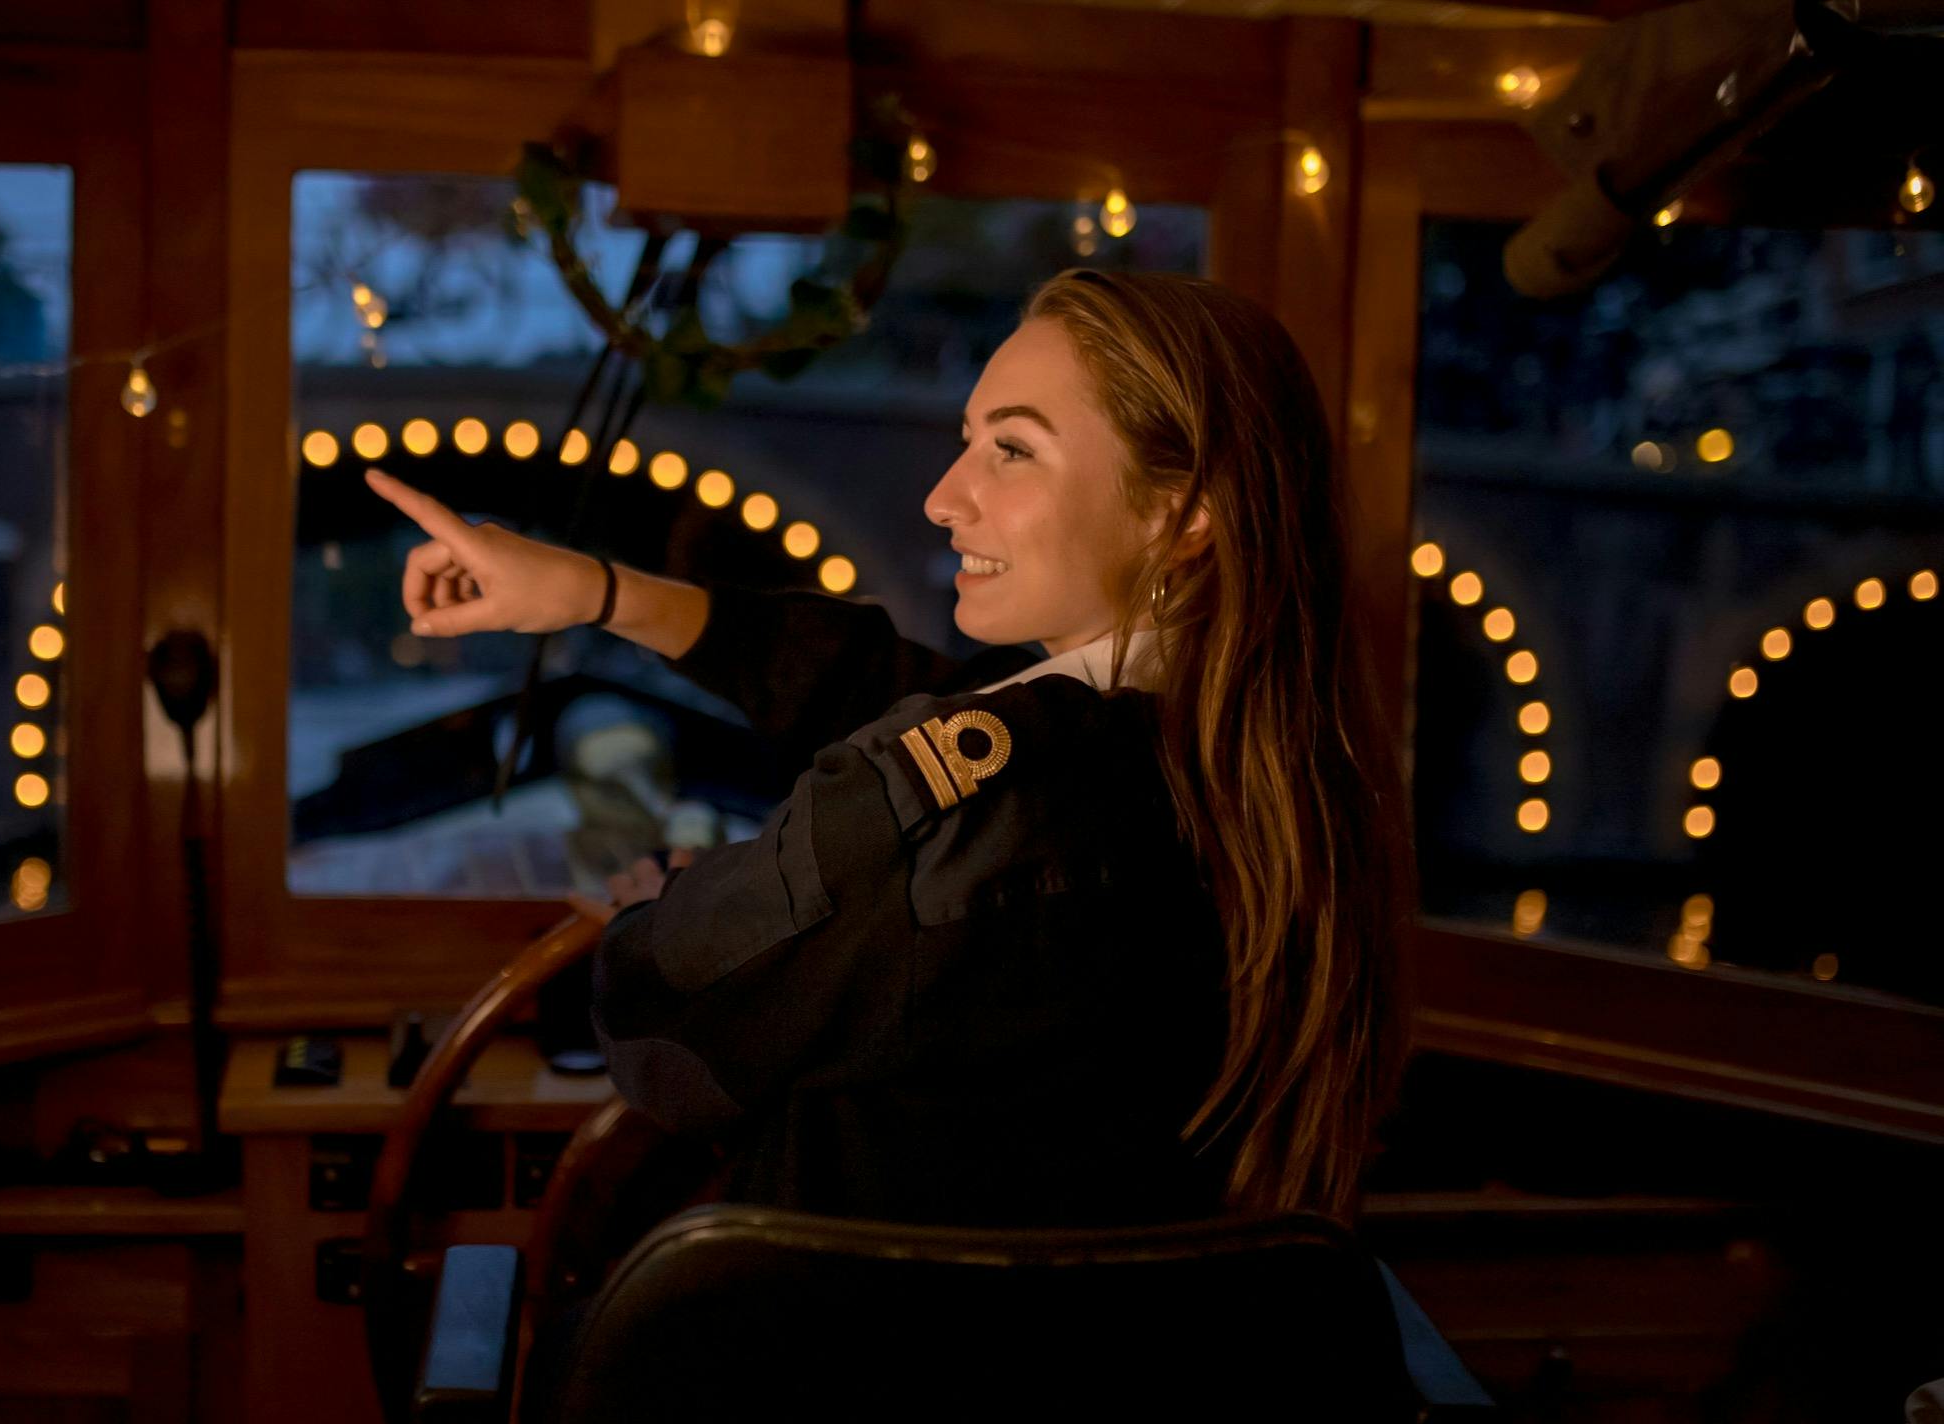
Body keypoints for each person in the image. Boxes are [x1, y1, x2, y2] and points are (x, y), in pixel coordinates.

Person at [365, 268, 1410, 1228]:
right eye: (968, 440)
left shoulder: (965, 806)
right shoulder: (1277, 768)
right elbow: (898, 689)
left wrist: (659, 908)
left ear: (1179, 519)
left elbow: (664, 1042)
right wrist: (601, 592)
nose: (943, 497)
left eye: (1011, 450)